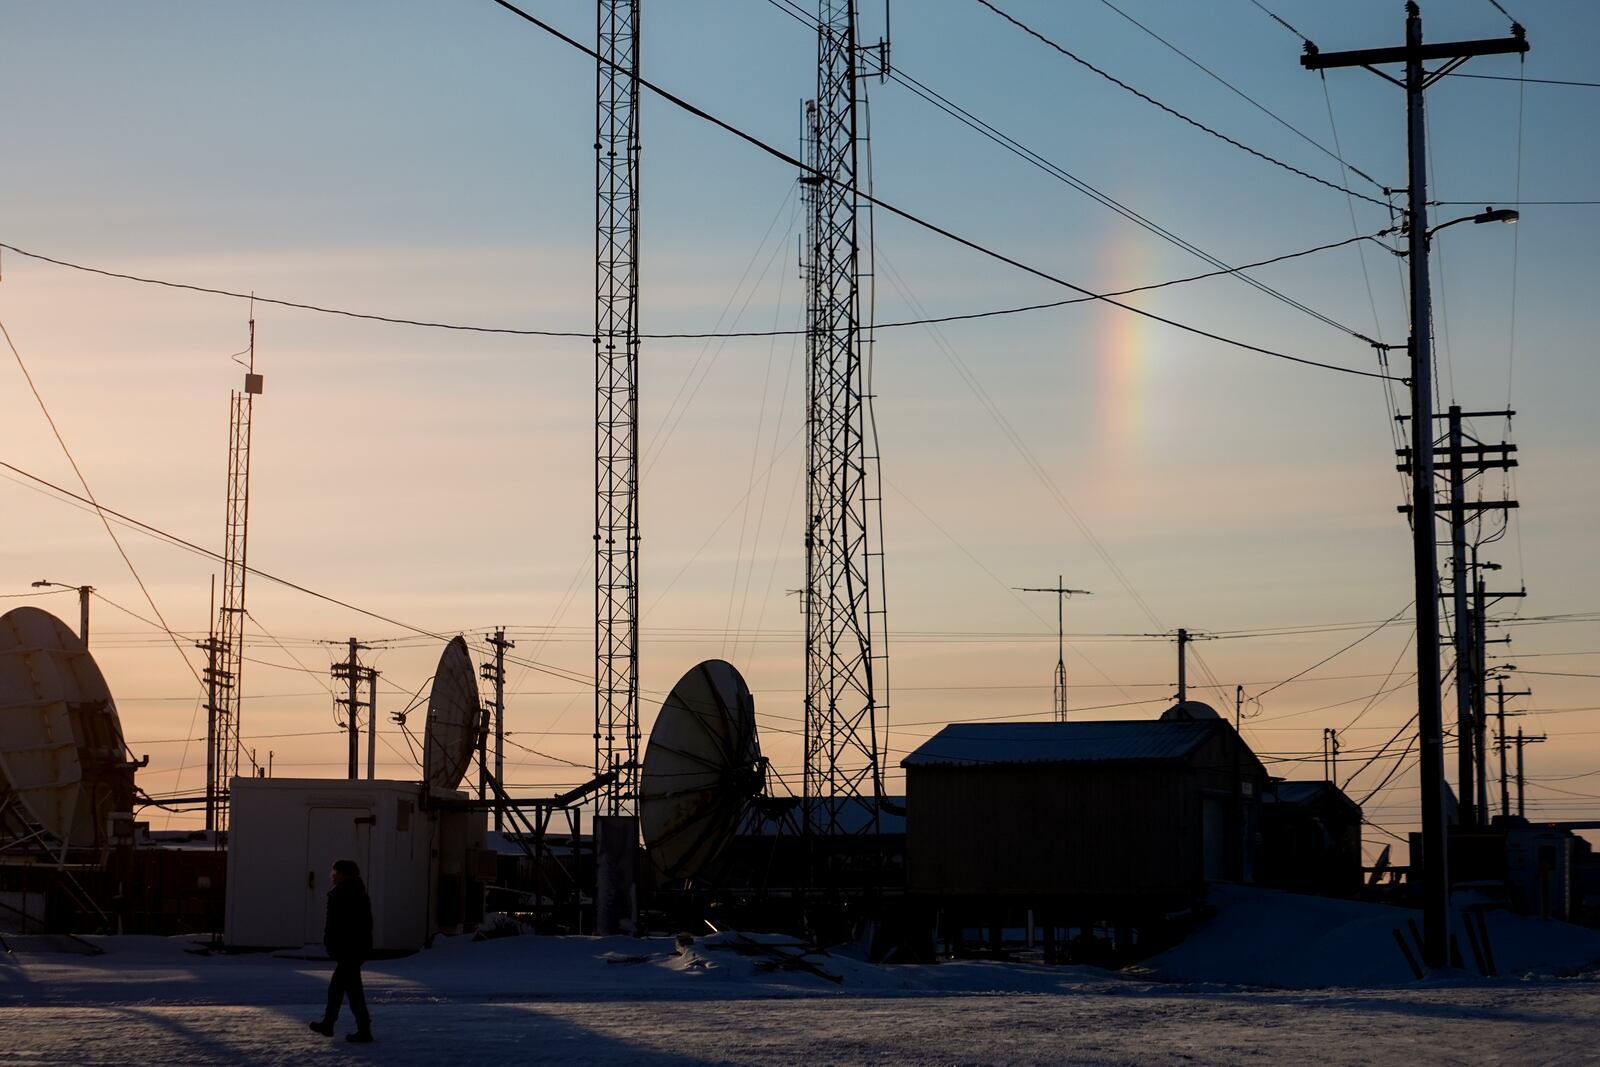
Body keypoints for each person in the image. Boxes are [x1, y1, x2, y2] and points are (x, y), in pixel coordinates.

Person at [309, 858, 374, 1043]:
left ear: (343, 874)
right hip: (355, 948)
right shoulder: (357, 893)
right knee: (349, 989)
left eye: (335, 873)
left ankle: (334, 1024)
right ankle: (350, 1027)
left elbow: (339, 924)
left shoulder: (343, 894)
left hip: (348, 949)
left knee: (342, 988)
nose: (332, 876)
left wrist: (332, 943)